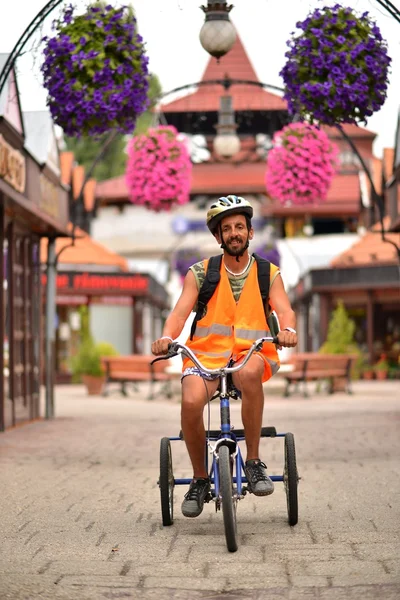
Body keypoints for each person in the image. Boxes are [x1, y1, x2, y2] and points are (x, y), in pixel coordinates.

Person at [151, 195, 297, 518]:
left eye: (240, 227)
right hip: (205, 356)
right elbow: (178, 314)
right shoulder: (200, 273)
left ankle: (255, 461)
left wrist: (287, 330)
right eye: (227, 228)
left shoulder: (267, 273)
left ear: (250, 232)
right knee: (190, 402)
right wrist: (166, 338)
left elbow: (285, 309)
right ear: (218, 237)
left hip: (251, 352)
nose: (234, 233)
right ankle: (200, 478)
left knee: (248, 376)